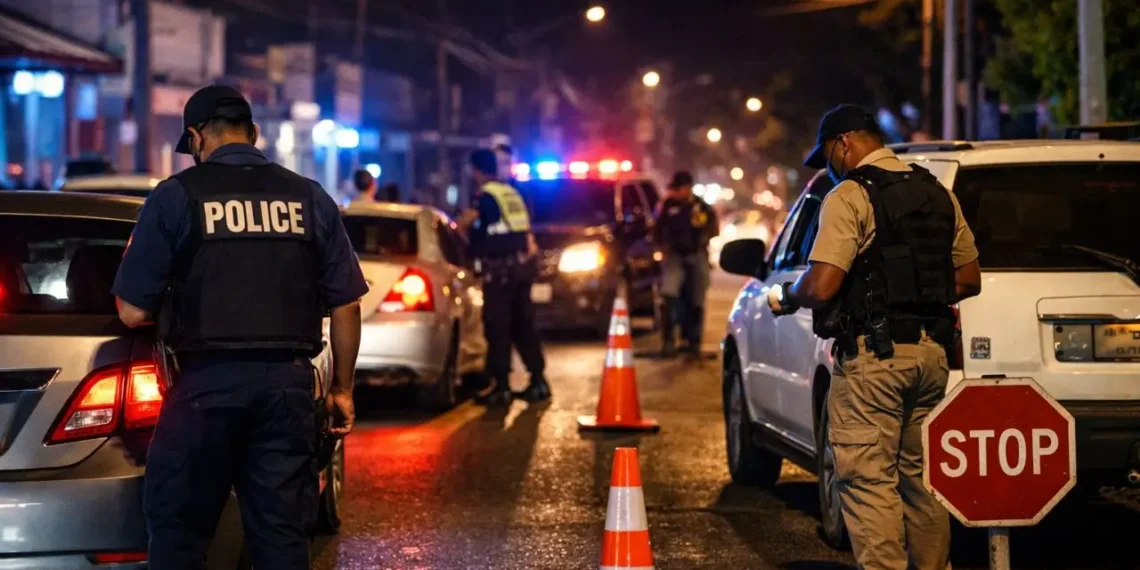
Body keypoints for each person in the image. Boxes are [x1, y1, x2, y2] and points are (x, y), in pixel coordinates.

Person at [111, 85, 368, 570]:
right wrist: (342, 390)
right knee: (280, 536)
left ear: (196, 137)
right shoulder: (309, 196)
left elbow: (130, 312)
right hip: (286, 389)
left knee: (179, 534)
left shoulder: (176, 197)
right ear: (253, 134)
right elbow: (346, 305)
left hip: (204, 387)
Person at [766, 104, 982, 570]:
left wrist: (789, 294)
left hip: (874, 361)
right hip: (930, 358)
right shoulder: (936, 192)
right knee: (920, 481)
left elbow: (823, 284)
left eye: (827, 154)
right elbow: (967, 279)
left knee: (868, 481)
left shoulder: (849, 195)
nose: (828, 166)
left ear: (843, 142)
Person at [465, 148, 549, 405]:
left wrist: (467, 228)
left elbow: (478, 234)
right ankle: (538, 380)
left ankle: (500, 385)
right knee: (523, 325)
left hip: (500, 271)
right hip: (520, 269)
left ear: (477, 171)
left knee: (497, 326)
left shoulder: (487, 196)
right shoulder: (512, 192)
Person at [653, 171, 718, 357]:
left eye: (680, 188)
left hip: (696, 255)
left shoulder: (701, 207)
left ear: (687, 188)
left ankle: (693, 342)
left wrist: (703, 238)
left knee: (697, 298)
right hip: (674, 256)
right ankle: (668, 342)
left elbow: (713, 228)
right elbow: (657, 230)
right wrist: (663, 246)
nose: (678, 192)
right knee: (669, 295)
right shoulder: (667, 206)